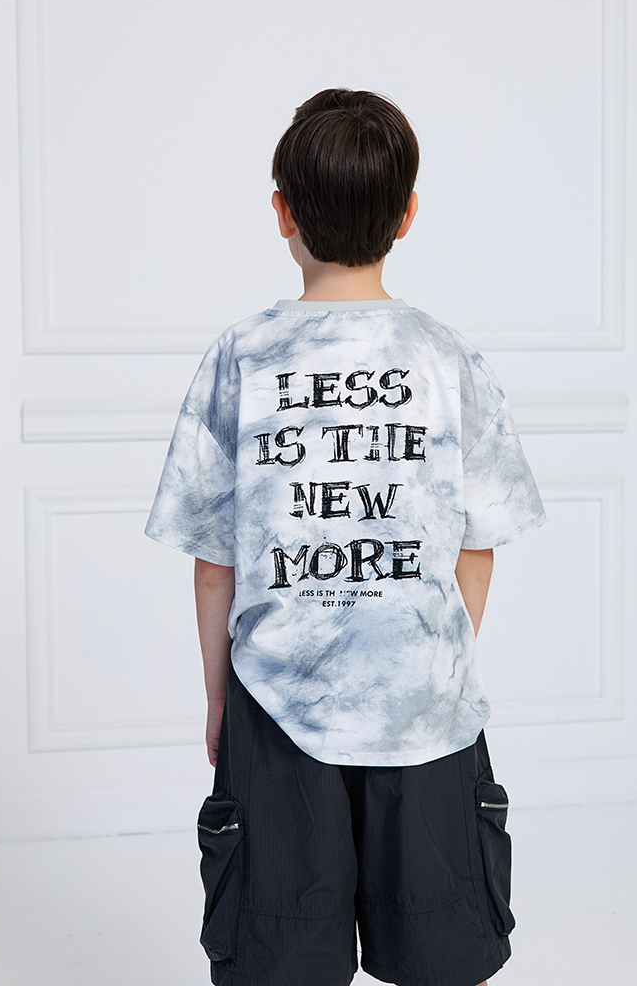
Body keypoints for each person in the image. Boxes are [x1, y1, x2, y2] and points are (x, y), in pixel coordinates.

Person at [145, 88, 546, 986]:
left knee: (279, 955)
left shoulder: (240, 356)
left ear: (281, 211)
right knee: (438, 952)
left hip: (275, 705)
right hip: (424, 709)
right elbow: (477, 546)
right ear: (408, 214)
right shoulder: (447, 357)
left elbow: (214, 563)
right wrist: (438, 667)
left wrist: (218, 700)